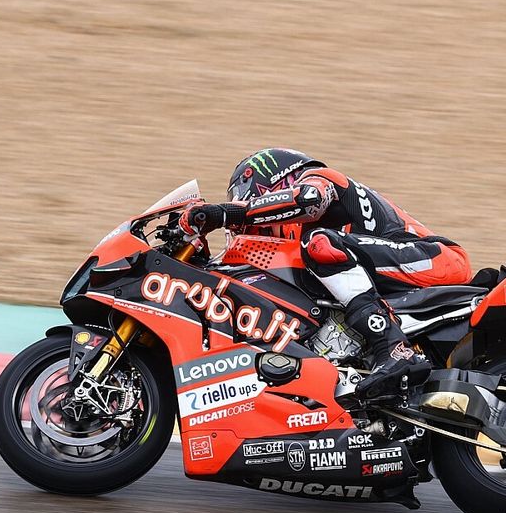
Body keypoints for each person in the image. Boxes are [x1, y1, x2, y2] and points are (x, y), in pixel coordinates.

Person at [179, 148, 472, 400]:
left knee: (319, 243)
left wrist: (226, 213)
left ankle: (394, 349)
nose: (255, 229)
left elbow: (307, 199)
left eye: (254, 209)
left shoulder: (320, 179)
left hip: (435, 257)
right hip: (393, 276)